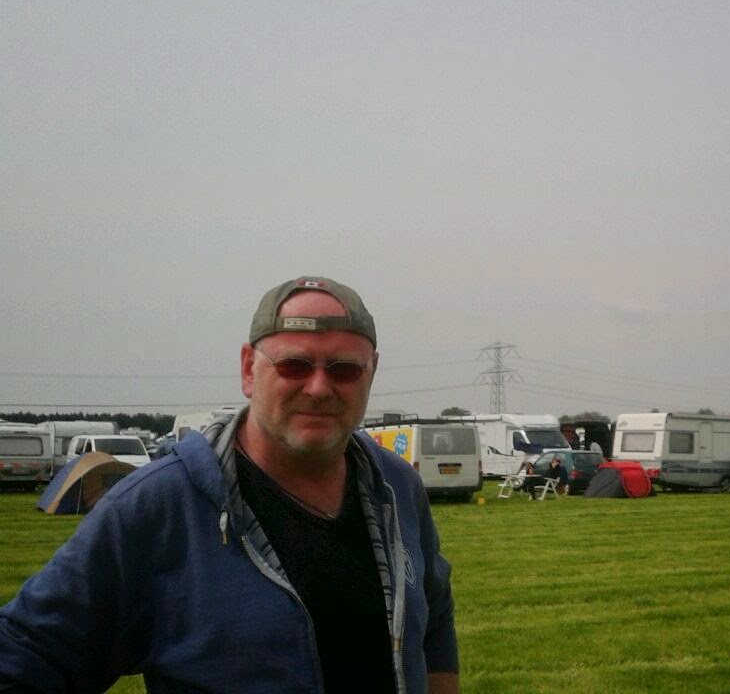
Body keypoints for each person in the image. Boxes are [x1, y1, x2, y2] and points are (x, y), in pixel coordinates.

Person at [0, 276, 459, 693]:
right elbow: (26, 655)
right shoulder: (158, 504)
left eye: (344, 369)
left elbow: (434, 622)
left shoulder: (395, 485)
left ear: (371, 372)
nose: (319, 388)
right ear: (247, 369)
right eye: (294, 365)